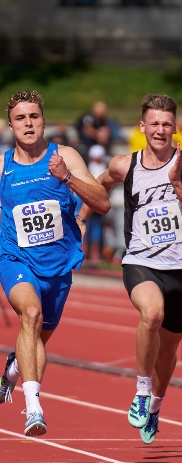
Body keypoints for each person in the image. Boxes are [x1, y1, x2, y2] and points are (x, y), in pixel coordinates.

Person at [77, 93, 182, 444]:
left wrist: (177, 183)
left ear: (174, 127)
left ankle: (154, 406)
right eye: (155, 124)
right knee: (151, 314)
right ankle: (140, 390)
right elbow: (100, 184)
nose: (161, 130)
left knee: (168, 353)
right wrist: (82, 217)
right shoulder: (126, 165)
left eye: (167, 124)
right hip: (140, 261)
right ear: (142, 127)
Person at [0, 89, 110, 437]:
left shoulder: (65, 156)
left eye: (34, 117)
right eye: (21, 118)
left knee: (37, 340)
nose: (28, 123)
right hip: (14, 257)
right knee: (29, 315)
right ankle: (33, 408)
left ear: (44, 121)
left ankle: (13, 370)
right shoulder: (2, 166)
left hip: (58, 265)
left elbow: (103, 203)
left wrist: (66, 178)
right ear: (10, 125)